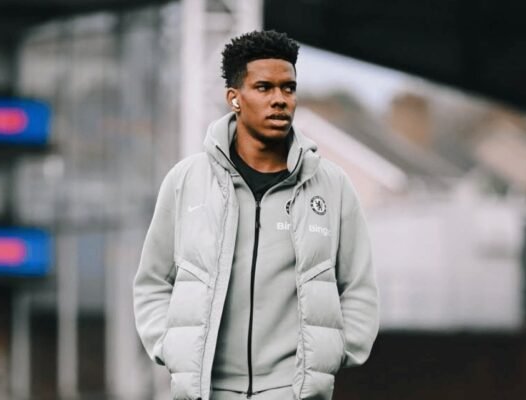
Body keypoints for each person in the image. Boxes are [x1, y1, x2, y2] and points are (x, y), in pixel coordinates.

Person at [133, 30, 379, 400]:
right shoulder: (186, 181)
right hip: (208, 391)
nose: (280, 99)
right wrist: (170, 347)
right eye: (264, 87)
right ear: (234, 97)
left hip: (294, 393)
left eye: (288, 88)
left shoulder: (332, 186)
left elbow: (358, 285)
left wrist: (335, 353)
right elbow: (153, 281)